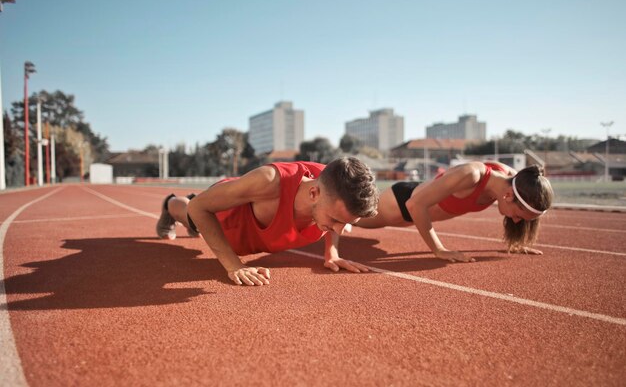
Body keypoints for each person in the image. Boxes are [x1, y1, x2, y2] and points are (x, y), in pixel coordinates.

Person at [156, 157, 379, 286]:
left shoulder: (331, 187)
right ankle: (170, 203)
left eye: (348, 222)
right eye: (335, 220)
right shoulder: (268, 181)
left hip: (259, 234)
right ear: (313, 194)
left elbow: (338, 213)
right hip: (226, 220)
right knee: (189, 212)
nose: (342, 229)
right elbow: (199, 208)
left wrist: (332, 253)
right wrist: (234, 265)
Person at [332, 161, 553, 263]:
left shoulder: (515, 180)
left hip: (419, 208)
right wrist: (439, 250)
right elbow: (415, 205)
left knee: (350, 219)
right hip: (402, 203)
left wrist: (516, 243)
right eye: (517, 215)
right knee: (347, 216)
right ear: (508, 196)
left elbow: (522, 211)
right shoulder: (472, 175)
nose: (515, 220)